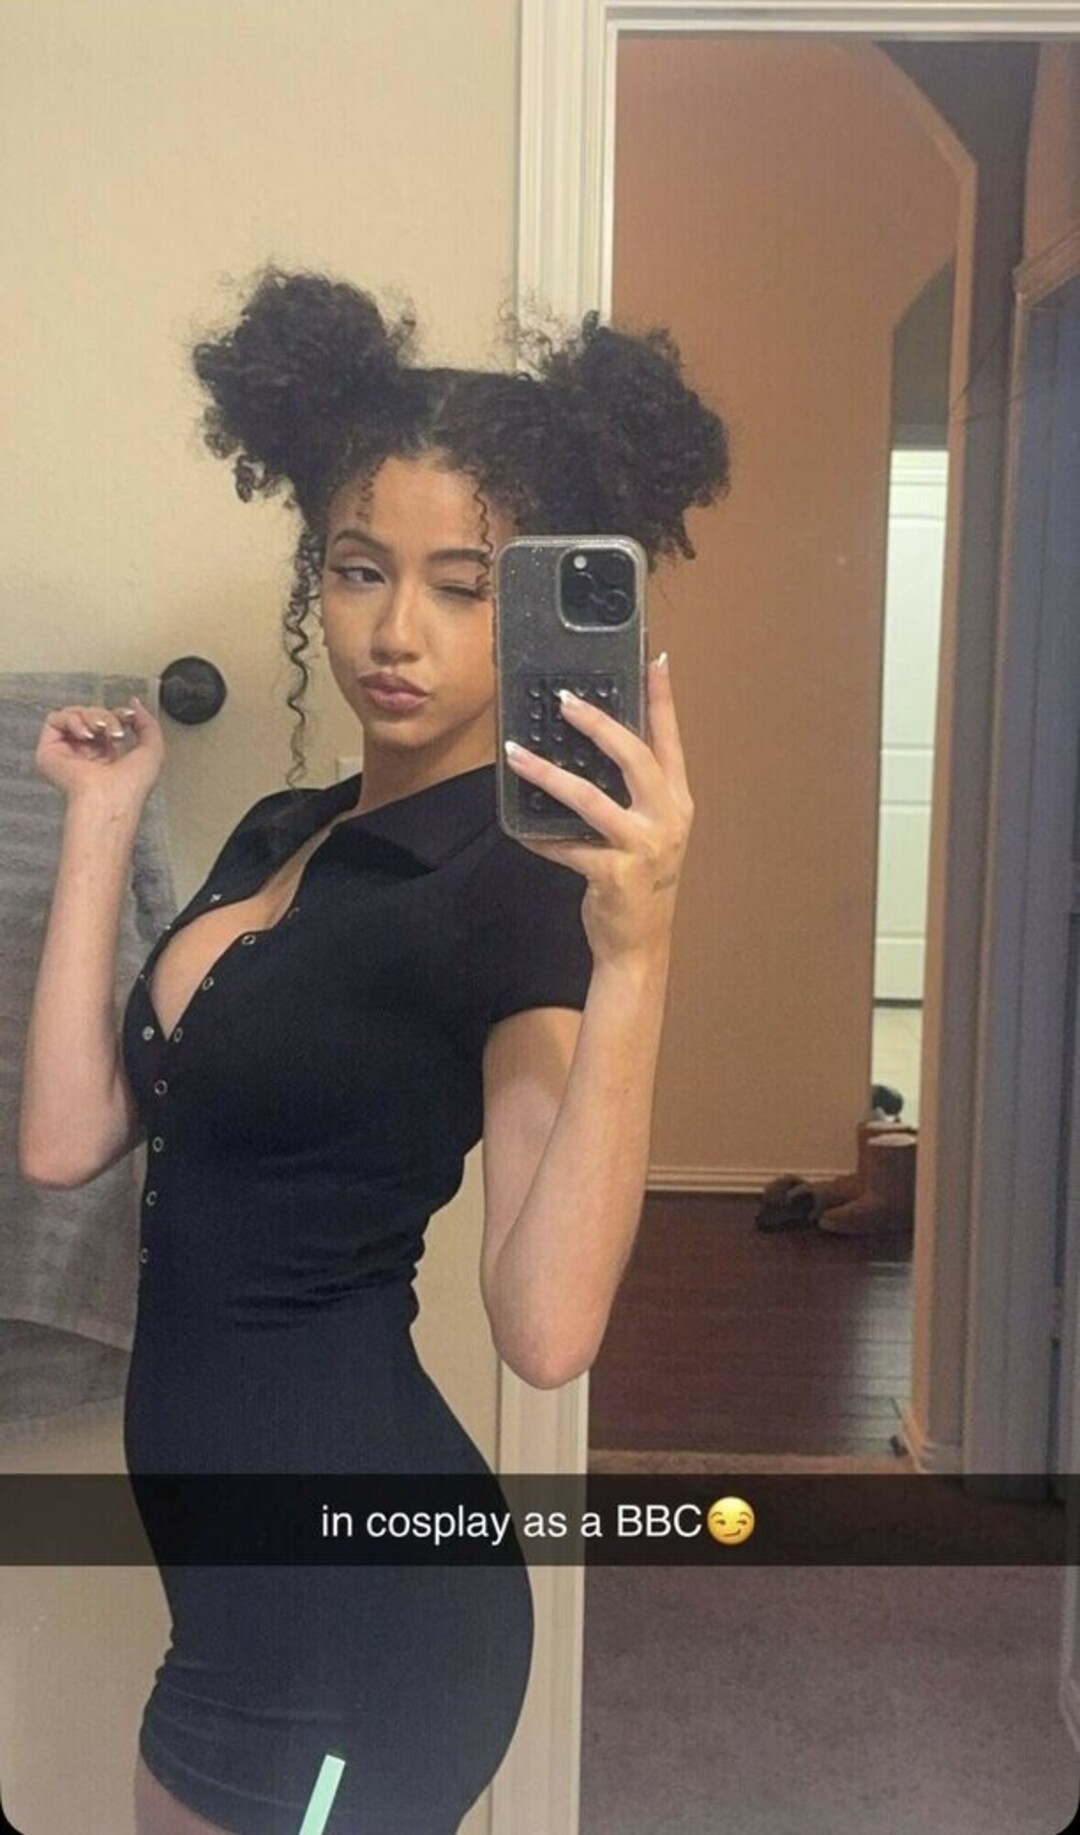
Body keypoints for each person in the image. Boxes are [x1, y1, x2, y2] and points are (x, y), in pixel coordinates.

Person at [18, 265, 731, 1834]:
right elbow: (67, 1140)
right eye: (358, 570)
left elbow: (546, 1329)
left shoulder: (514, 890)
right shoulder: (292, 829)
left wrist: (638, 953)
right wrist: (105, 821)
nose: (396, 631)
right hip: (238, 1615)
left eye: (463, 588)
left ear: (527, 609)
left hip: (367, 1627)